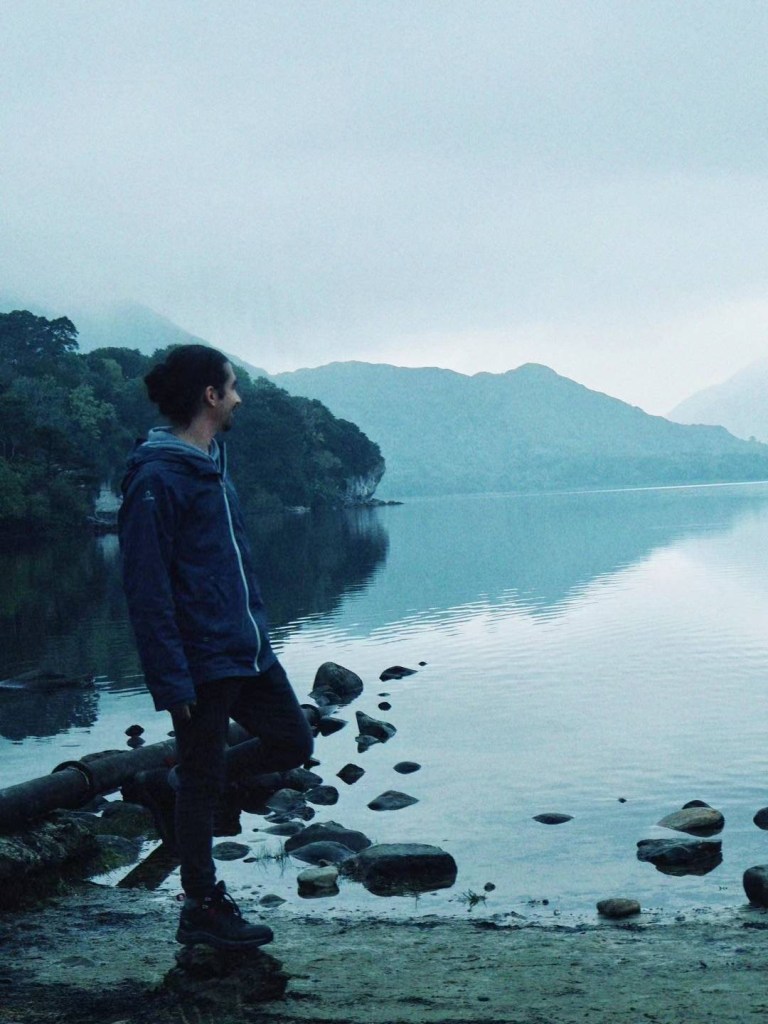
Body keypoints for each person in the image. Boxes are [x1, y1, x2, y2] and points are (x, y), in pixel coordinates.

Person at [118, 344, 313, 950]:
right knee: (203, 781)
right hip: (202, 659)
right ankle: (201, 905)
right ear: (209, 395)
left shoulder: (209, 463)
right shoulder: (157, 479)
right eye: (231, 387)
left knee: (292, 739)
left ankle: (178, 790)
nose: (238, 397)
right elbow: (146, 591)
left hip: (247, 648)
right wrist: (170, 682)